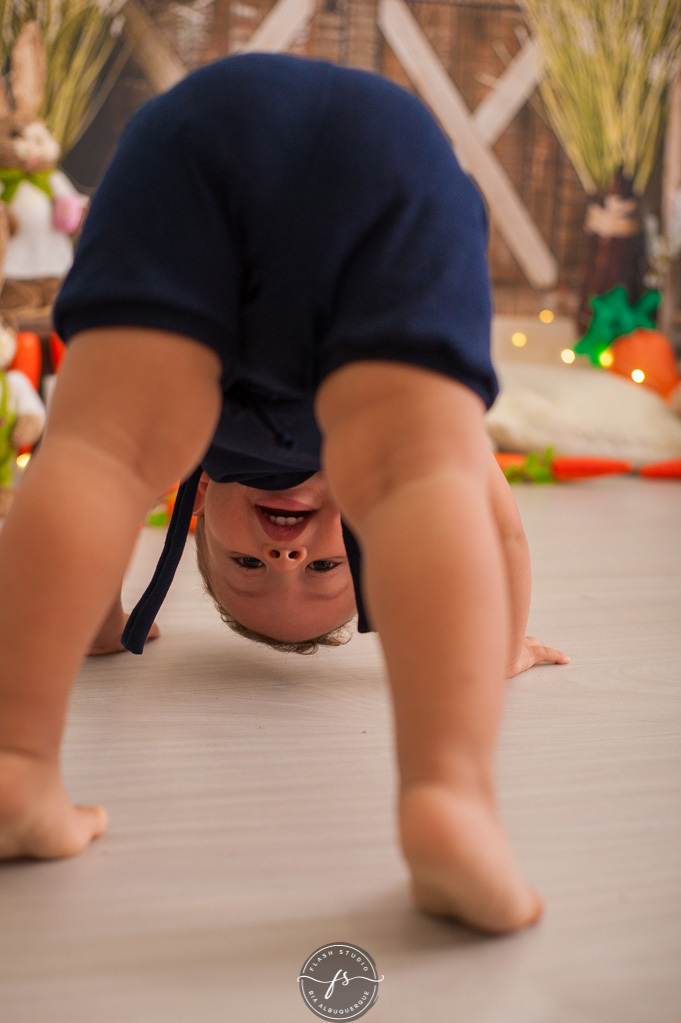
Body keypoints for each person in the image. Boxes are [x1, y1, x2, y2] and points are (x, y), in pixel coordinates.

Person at [0, 53, 568, 933]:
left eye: (251, 567)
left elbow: (98, 498)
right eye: (321, 569)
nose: (288, 552)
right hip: (388, 154)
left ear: (185, 527)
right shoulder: (362, 451)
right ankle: (447, 794)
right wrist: (495, 643)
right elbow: (493, 529)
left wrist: (105, 622)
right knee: (422, 472)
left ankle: (14, 755)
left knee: (104, 449)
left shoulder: (181, 451)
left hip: (198, 135)